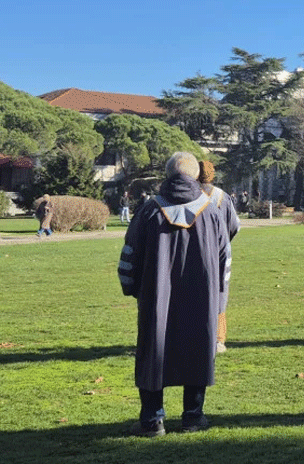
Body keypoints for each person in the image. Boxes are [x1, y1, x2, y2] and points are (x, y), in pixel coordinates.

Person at [118, 152, 231, 436]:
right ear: (195, 176)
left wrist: (131, 288)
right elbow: (224, 262)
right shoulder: (212, 212)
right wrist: (219, 299)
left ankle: (152, 420)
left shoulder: (149, 211)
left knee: (153, 352)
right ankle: (193, 416)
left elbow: (129, 256)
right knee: (198, 350)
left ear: (167, 175)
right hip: (201, 299)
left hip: (157, 298)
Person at [198, 160, 241, 354]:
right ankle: (218, 339)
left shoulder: (192, 197)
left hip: (196, 253)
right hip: (221, 254)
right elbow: (235, 226)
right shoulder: (222, 197)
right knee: (220, 294)